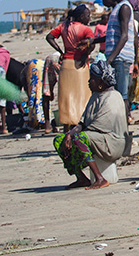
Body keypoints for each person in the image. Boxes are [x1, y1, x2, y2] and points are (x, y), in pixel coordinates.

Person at [54, 58, 128, 190]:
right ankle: (80, 177)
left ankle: (100, 178)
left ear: (100, 81)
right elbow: (84, 122)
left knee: (80, 138)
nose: (89, 81)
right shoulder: (96, 95)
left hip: (113, 142)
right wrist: (69, 134)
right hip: (97, 138)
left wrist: (74, 135)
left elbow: (99, 126)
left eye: (92, 78)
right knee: (59, 140)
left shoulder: (113, 98)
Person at [46, 5, 95, 132]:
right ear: (81, 16)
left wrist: (60, 51)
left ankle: (67, 128)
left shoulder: (63, 27)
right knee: (82, 97)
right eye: (87, 15)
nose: (89, 18)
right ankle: (78, 126)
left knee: (66, 97)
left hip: (66, 65)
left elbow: (49, 37)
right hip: (80, 66)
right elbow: (92, 43)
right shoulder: (85, 29)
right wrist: (85, 54)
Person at [100, 0, 137, 107]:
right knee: (116, 94)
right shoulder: (117, 8)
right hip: (116, 57)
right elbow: (113, 35)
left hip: (121, 58)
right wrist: (94, 41)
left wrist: (110, 59)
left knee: (122, 95)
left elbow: (124, 36)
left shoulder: (124, 8)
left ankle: (123, 125)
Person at [41, 50, 61, 133]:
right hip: (61, 59)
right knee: (66, 90)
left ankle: (47, 124)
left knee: (46, 92)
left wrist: (51, 91)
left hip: (49, 59)